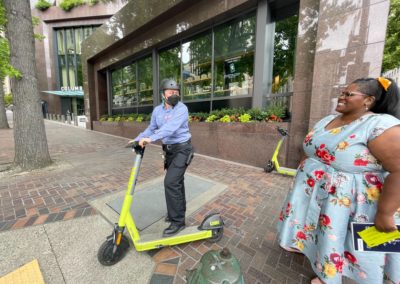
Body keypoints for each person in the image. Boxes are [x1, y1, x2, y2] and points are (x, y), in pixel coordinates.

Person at [277, 77, 400, 284]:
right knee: (323, 236)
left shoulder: (381, 125)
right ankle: (321, 267)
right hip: (317, 194)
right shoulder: (327, 120)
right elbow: (312, 148)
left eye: (348, 94)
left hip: (354, 203)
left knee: (351, 243)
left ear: (368, 100)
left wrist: (385, 212)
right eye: (342, 92)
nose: (341, 97)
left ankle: (332, 278)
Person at [131, 78, 194, 237]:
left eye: (177, 92)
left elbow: (170, 128)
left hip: (183, 149)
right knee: (177, 182)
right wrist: (138, 139)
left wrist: (152, 139)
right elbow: (151, 129)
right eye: (171, 92)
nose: (175, 95)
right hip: (169, 151)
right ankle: (177, 212)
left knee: (171, 182)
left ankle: (178, 222)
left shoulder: (182, 109)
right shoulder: (157, 111)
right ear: (163, 94)